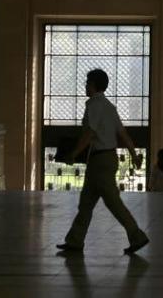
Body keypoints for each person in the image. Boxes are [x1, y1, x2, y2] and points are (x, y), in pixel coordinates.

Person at [57, 69, 149, 254]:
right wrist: (134, 155)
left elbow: (89, 134)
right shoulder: (109, 107)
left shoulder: (94, 105)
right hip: (106, 159)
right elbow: (123, 134)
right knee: (86, 203)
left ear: (93, 85)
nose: (85, 86)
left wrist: (74, 153)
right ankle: (75, 241)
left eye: (87, 82)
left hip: (100, 161)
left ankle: (137, 235)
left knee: (113, 202)